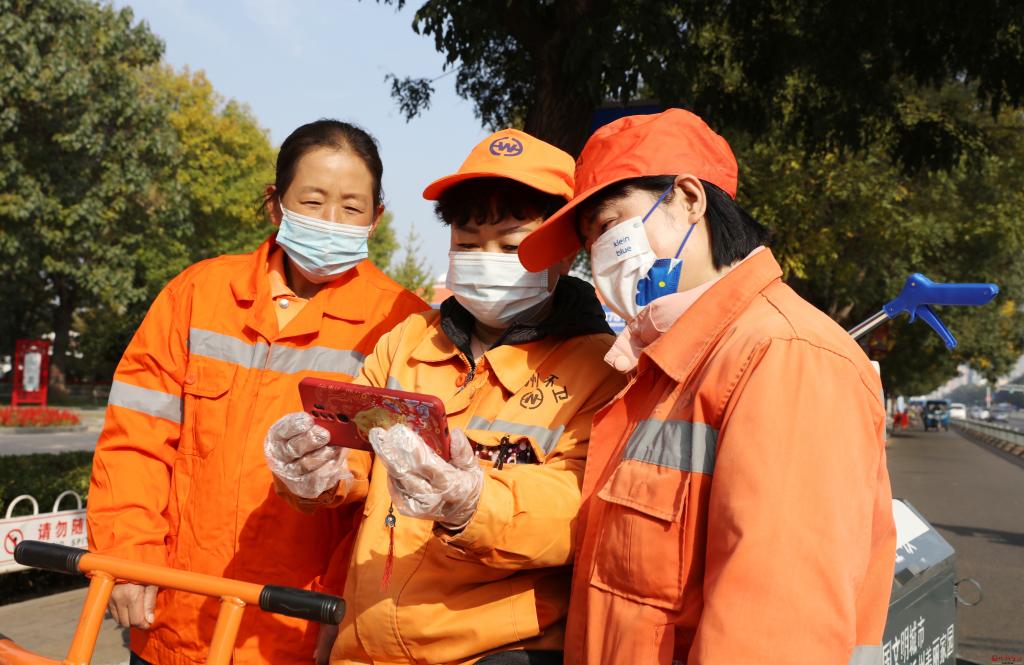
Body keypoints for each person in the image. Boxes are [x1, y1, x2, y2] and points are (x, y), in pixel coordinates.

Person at [518, 109, 897, 665]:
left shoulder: (785, 356)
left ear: (689, 198)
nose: (597, 255)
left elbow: (773, 634)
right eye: (588, 241)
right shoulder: (672, 362)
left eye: (608, 225)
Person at [263, 129, 626, 664]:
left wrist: (473, 503)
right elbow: (356, 457)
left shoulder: (602, 369)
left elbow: (582, 511)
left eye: (511, 245)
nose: (486, 259)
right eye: (468, 243)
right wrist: (319, 470)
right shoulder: (407, 342)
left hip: (498, 652)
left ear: (565, 250)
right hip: (365, 645)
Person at [86, 120, 429, 665]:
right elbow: (135, 441)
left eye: (351, 207)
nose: (331, 220)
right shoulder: (197, 294)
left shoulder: (403, 324)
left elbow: (390, 501)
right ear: (275, 204)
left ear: (376, 218)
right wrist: (126, 559)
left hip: (299, 628)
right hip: (176, 617)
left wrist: (347, 609)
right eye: (312, 201)